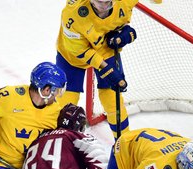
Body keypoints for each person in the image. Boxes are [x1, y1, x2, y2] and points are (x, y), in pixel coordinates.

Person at [56, 0, 140, 139]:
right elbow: (79, 50)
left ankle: (124, 144)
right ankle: (55, 141)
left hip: (104, 50)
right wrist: (107, 69)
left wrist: (124, 32)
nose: (104, 6)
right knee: (65, 103)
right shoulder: (72, 14)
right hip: (72, 56)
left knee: (112, 98)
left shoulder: (125, 2)